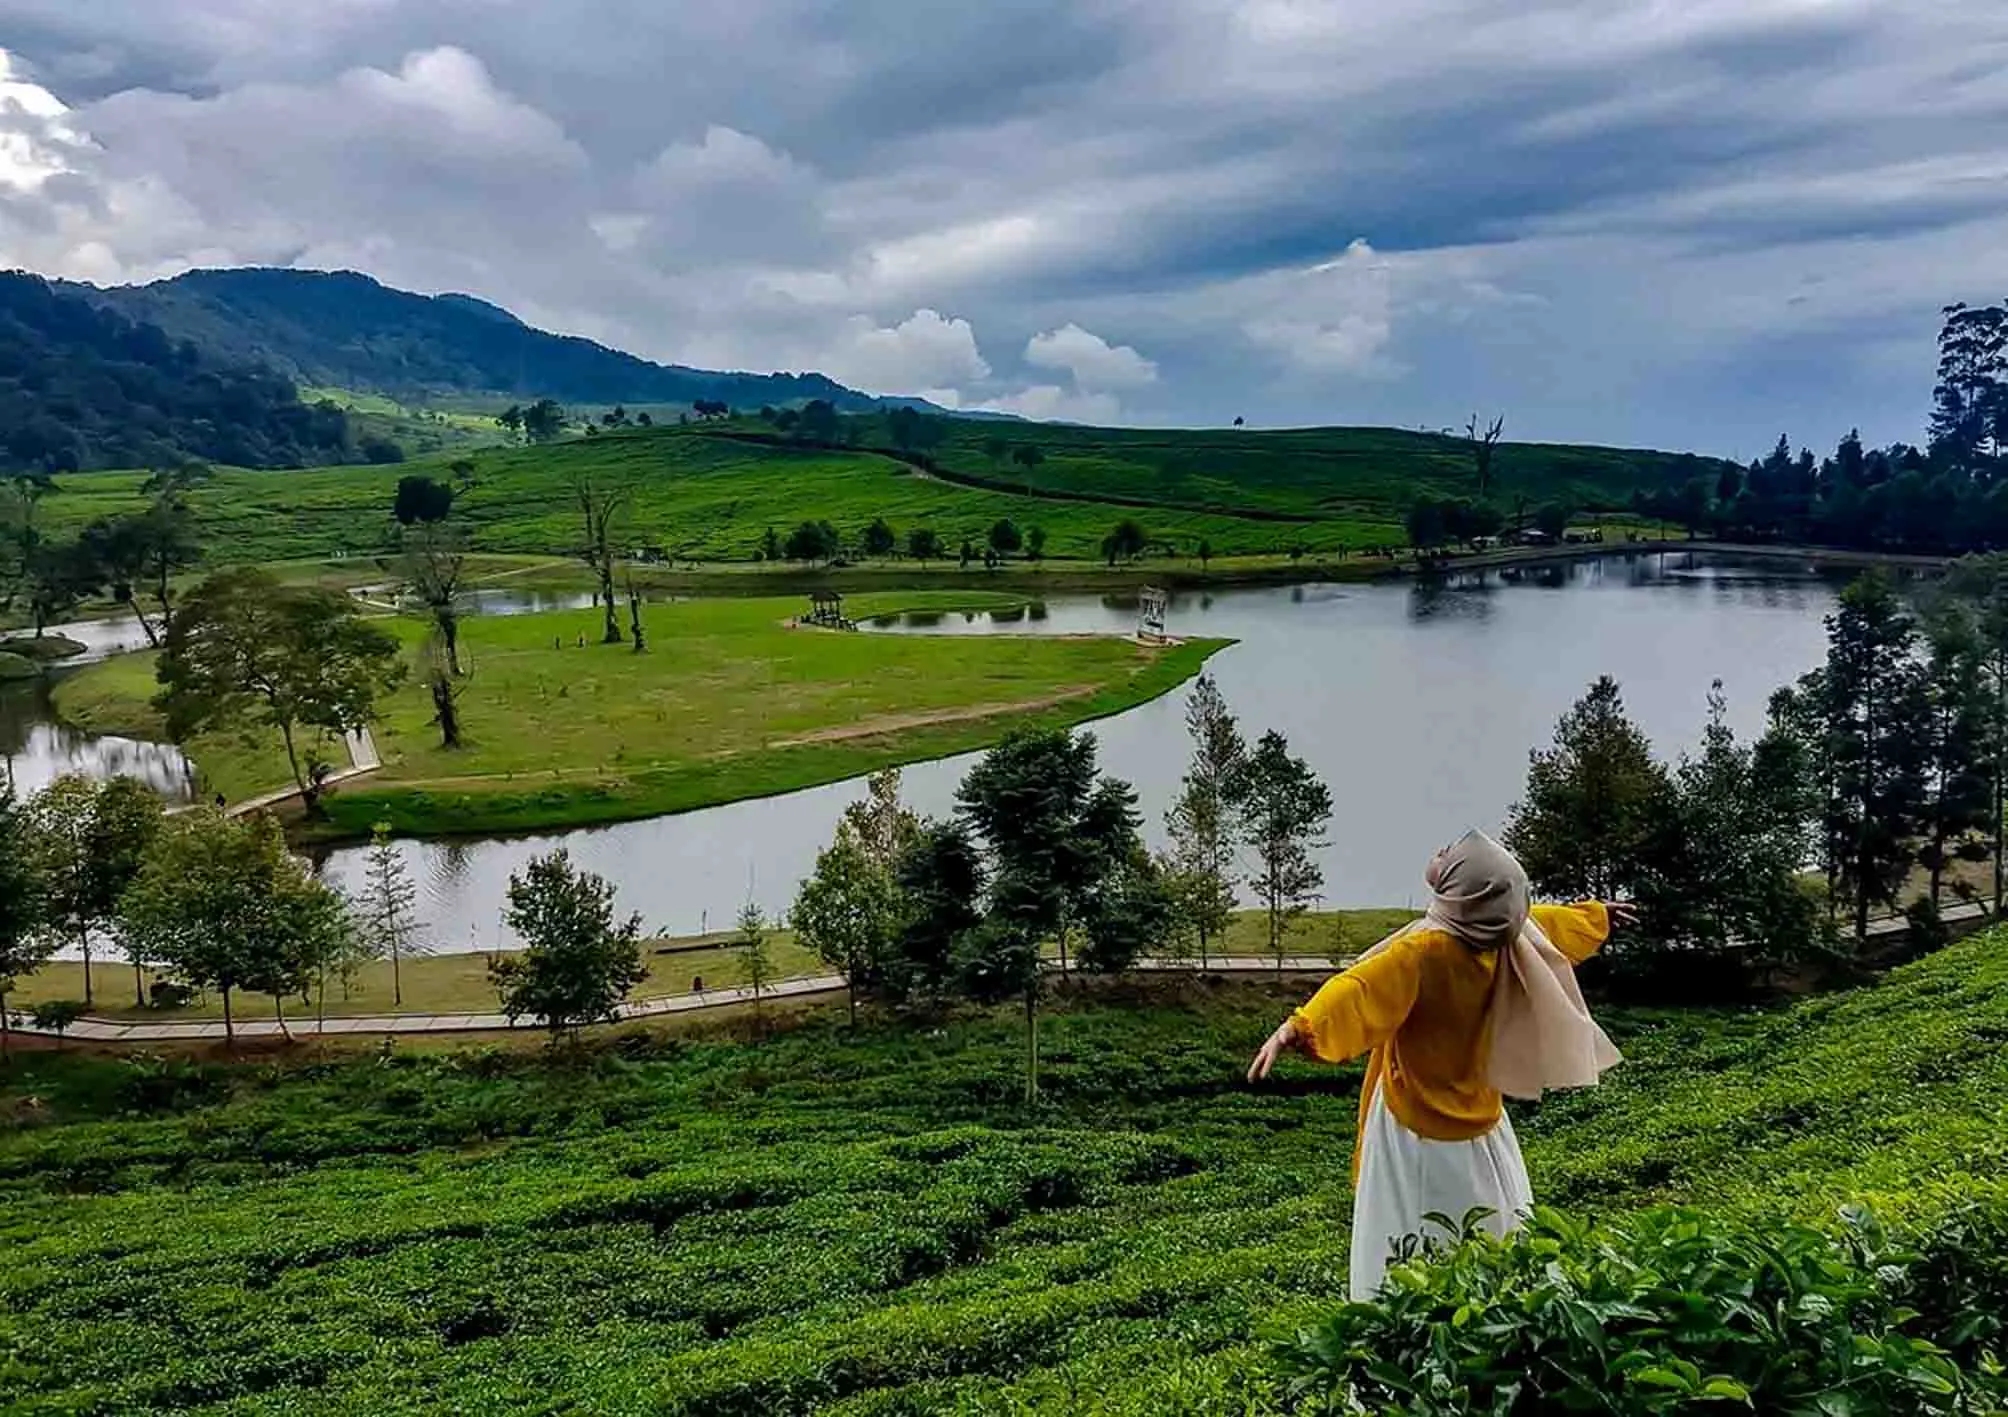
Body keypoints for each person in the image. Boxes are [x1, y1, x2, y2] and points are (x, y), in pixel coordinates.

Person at [1246, 829, 1630, 1298]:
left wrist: (1297, 1028)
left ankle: (1402, 1305)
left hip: (1414, 1117)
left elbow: (1361, 988)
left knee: (1409, 1221)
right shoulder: (1505, 938)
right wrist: (1595, 916)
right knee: (1492, 1217)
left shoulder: (1425, 951)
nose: (1442, 853)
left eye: (1452, 855)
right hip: (1480, 1108)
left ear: (1467, 890)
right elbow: (1544, 924)